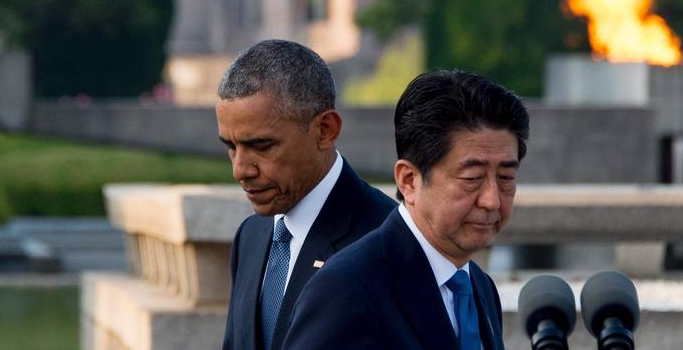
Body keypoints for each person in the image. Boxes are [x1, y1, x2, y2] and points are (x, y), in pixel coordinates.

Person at [282, 70, 529, 350]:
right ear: (409, 180)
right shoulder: (347, 288)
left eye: (506, 178)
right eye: (472, 179)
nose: (492, 201)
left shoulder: (479, 286)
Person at [217, 39, 395, 350]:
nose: (240, 170)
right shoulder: (250, 236)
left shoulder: (390, 241)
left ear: (325, 130)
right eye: (231, 147)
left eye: (261, 146)